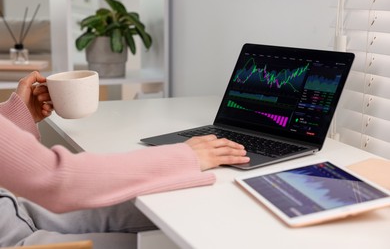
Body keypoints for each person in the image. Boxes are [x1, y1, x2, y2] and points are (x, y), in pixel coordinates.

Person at [0, 71, 250, 248]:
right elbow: (58, 179)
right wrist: (186, 156)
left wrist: (15, 118)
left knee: (184, 210)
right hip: (18, 241)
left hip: (18, 212)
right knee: (173, 242)